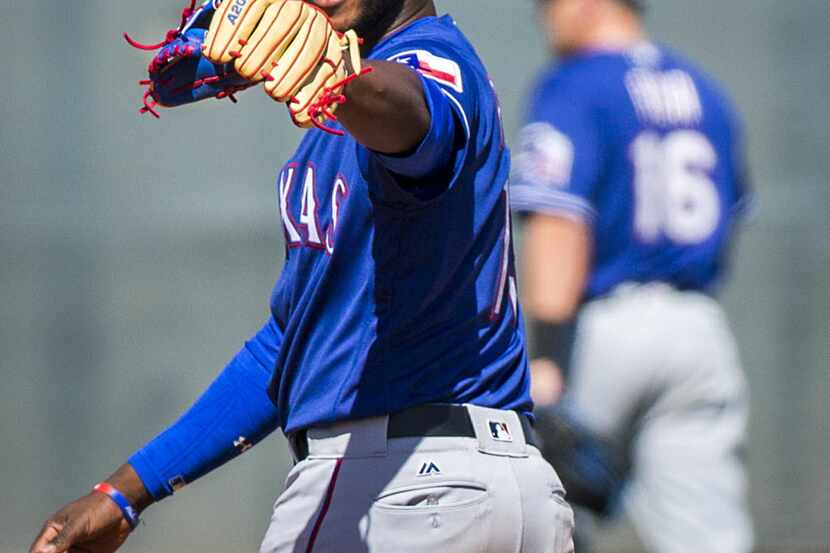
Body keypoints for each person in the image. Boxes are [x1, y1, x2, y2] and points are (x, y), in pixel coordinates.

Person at [29, 1, 575, 553]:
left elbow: (414, 114)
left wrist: (344, 77)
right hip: (507, 490)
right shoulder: (337, 120)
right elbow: (289, 347)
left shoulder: (427, 61)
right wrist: (125, 491)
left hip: (400, 492)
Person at [511, 1, 754, 552]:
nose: (542, 13)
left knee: (542, 518)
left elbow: (558, 221)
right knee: (707, 534)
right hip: (699, 328)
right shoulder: (706, 91)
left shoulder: (575, 85)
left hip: (602, 329)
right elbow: (732, 214)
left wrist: (546, 357)